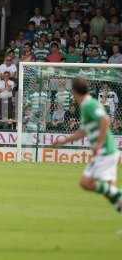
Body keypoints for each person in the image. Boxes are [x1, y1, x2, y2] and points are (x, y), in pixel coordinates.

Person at [54, 78, 122, 213]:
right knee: (110, 192)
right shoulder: (86, 105)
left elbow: (105, 120)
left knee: (86, 183)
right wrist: (64, 141)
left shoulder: (89, 104)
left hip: (105, 152)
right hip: (107, 152)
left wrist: (99, 144)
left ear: (73, 92)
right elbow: (83, 131)